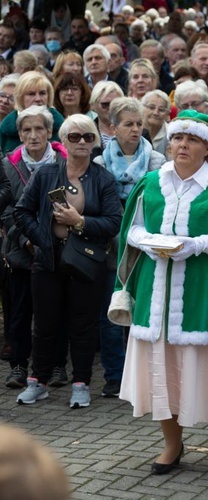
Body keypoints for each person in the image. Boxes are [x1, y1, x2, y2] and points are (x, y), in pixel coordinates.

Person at [108, 110, 208, 473]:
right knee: (161, 368)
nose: (183, 145)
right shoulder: (150, 183)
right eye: (177, 138)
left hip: (203, 292)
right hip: (155, 292)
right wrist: (151, 241)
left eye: (192, 140)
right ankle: (172, 444)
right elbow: (132, 229)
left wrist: (196, 244)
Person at [14, 114, 122, 408]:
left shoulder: (103, 178)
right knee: (45, 324)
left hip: (86, 262)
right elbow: (21, 212)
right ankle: (38, 382)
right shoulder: (47, 173)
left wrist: (80, 221)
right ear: (63, 141)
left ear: (95, 142)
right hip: (48, 260)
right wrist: (42, 238)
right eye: (74, 137)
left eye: (88, 137)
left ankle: (81, 384)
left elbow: (114, 222)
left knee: (83, 326)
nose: (82, 142)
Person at [1, 106, 66, 389]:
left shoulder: (63, 162)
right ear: (19, 134)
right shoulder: (8, 164)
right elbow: (6, 210)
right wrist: (28, 239)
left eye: (39, 128)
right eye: (26, 130)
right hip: (20, 249)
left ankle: (57, 366)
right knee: (19, 312)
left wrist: (47, 238)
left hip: (56, 248)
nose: (33, 135)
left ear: (50, 132)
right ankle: (18, 365)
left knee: (56, 310)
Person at [93, 97, 167, 205]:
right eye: (129, 124)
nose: (136, 129)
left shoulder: (157, 161)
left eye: (139, 124)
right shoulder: (100, 163)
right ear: (114, 129)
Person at [0, 71, 64, 156]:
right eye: (31, 94)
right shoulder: (5, 128)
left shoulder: (61, 127)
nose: (38, 98)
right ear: (20, 97)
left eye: (42, 93)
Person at [90, 81, 125, 153]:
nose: (111, 108)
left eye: (116, 104)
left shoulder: (138, 131)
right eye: (105, 104)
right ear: (93, 105)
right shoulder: (86, 133)